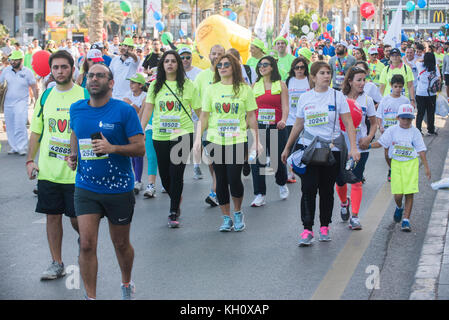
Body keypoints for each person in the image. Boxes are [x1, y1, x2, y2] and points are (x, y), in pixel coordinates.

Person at [67, 63, 145, 300]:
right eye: (91, 75)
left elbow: (140, 148)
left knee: (121, 243)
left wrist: (113, 148)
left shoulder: (124, 111)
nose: (94, 79)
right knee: (87, 244)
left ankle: (126, 282)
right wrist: (73, 156)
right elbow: (75, 132)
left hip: (119, 188)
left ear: (111, 83)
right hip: (86, 186)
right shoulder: (77, 109)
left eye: (100, 76)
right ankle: (91, 296)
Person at [281, 61, 360, 246]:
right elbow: (299, 124)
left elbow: (348, 124)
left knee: (326, 191)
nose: (326, 76)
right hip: (308, 150)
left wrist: (354, 148)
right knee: (308, 189)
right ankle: (307, 229)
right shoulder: (305, 98)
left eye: (328, 72)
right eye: (322, 73)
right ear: (313, 77)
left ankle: (325, 226)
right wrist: (287, 147)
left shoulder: (337, 96)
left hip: (331, 151)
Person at [26, 50, 88, 281]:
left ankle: (85, 239)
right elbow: (37, 131)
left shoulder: (84, 95)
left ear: (72, 68)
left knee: (75, 219)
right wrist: (30, 160)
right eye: (56, 68)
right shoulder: (46, 96)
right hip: (49, 171)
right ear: (51, 71)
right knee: (52, 216)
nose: (60, 71)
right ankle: (57, 262)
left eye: (64, 67)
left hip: (77, 173)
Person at [193, 53, 261, 232]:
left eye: (226, 64)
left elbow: (252, 115)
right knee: (221, 180)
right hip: (215, 140)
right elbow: (205, 116)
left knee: (233, 178)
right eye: (219, 65)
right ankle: (226, 217)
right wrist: (198, 139)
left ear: (234, 68)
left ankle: (237, 213)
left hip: (237, 139)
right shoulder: (211, 89)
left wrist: (256, 141)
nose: (222, 67)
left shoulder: (244, 89)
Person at [139, 50, 201, 228]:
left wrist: (205, 129)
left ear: (178, 65)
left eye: (174, 61)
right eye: (167, 61)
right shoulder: (155, 86)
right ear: (162, 65)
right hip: (160, 135)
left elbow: (198, 110)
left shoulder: (188, 85)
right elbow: (148, 109)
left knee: (177, 173)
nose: (170, 64)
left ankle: (173, 211)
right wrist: (141, 130)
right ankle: (175, 194)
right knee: (165, 176)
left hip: (182, 134)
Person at [369, 104, 430, 232]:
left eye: (409, 119)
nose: (406, 121)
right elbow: (381, 143)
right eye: (403, 118)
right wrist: (367, 146)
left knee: (409, 192)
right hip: (396, 163)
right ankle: (399, 206)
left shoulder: (415, 132)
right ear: (398, 118)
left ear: (412, 119)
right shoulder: (392, 130)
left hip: (410, 164)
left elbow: (421, 149)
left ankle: (406, 220)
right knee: (398, 194)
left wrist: (426, 167)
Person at [335, 66, 377, 230]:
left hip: (361, 148)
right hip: (341, 147)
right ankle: (344, 203)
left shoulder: (367, 100)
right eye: (358, 80)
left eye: (364, 80)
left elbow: (374, 123)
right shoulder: (340, 98)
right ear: (350, 81)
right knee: (340, 181)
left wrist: (368, 138)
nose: (362, 83)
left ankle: (355, 216)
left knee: (356, 180)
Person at [249, 55, 289, 207]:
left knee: (277, 159)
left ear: (272, 67)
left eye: (265, 64)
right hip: (259, 127)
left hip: (277, 126)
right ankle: (260, 194)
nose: (262, 67)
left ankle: (281, 182)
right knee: (256, 159)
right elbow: (251, 109)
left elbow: (285, 106)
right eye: (260, 65)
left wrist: (283, 120)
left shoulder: (281, 84)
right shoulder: (254, 86)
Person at [194, 44, 226, 205]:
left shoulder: (230, 75)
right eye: (214, 53)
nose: (216, 56)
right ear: (209, 55)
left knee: (223, 161)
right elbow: (195, 99)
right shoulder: (201, 77)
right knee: (213, 161)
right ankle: (217, 189)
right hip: (209, 126)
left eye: (220, 54)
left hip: (228, 125)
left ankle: (216, 191)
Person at [0, 50, 38, 155]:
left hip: (21, 102)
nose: (12, 62)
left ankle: (22, 147)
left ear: (20, 60)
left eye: (15, 60)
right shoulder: (6, 71)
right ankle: (14, 147)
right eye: (11, 60)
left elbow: (34, 87)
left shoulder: (27, 72)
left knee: (20, 124)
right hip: (8, 103)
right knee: (10, 125)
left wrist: (37, 101)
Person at [377, 74, 410, 182]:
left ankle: (398, 169)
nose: (398, 89)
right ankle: (391, 168)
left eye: (400, 87)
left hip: (400, 131)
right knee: (387, 152)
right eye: (395, 86)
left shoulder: (405, 100)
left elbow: (409, 116)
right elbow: (379, 115)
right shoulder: (385, 99)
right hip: (387, 130)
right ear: (391, 85)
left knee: (398, 151)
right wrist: (380, 126)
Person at [285, 57, 310, 183]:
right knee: (291, 144)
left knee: (304, 145)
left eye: (302, 67)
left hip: (306, 119)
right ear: (293, 69)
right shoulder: (289, 80)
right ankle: (291, 171)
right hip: (291, 119)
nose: (299, 70)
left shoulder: (309, 80)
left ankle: (304, 166)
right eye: (297, 67)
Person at [123, 73, 148, 194]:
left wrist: (131, 104)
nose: (131, 85)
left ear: (140, 85)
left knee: (138, 155)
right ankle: (134, 179)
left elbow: (141, 112)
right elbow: (125, 112)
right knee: (132, 155)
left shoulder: (145, 96)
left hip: (141, 127)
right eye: (130, 82)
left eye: (134, 82)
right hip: (128, 128)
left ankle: (138, 180)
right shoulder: (127, 95)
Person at [415, 52, 440, 135]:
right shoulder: (435, 68)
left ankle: (418, 129)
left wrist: (423, 60)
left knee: (420, 113)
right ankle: (431, 130)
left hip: (420, 93)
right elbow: (438, 78)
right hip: (431, 94)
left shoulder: (419, 65)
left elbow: (417, 61)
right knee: (431, 113)